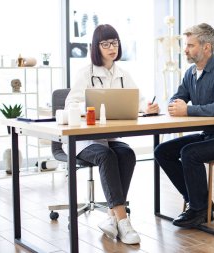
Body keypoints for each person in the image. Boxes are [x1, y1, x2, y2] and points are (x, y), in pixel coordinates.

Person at [65, 24, 159, 244]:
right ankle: (123, 221)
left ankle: (111, 217)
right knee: (106, 156)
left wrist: (147, 108)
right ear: (96, 47)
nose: (111, 47)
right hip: (83, 141)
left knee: (127, 154)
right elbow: (71, 103)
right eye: (105, 43)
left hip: (108, 137)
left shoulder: (123, 74)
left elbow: (138, 101)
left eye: (114, 42)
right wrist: (90, 110)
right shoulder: (85, 73)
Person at [154, 23, 214, 228]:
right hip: (211, 135)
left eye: (190, 45)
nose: (185, 49)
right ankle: (201, 202)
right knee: (162, 151)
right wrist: (169, 106)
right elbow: (177, 99)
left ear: (206, 47)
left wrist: (188, 110)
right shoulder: (190, 73)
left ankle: (200, 210)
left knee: (190, 153)